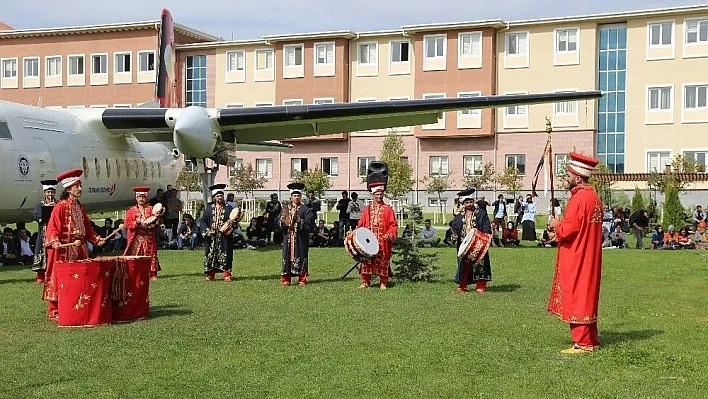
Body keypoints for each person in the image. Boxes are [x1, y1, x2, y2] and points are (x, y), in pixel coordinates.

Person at [547, 152, 603, 354]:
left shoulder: (579, 199)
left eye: (569, 173)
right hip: (589, 255)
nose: (567, 177)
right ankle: (590, 339)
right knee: (586, 294)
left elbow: (568, 229)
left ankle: (583, 343)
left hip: (578, 255)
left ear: (578, 177)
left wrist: (556, 224)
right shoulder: (594, 197)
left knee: (578, 295)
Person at [42, 169, 105, 322]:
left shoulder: (80, 206)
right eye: (77, 186)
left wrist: (96, 239)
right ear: (69, 189)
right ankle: (54, 311)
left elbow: (87, 227)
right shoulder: (60, 207)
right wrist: (55, 241)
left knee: (80, 277)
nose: (80, 189)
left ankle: (76, 304)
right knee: (59, 278)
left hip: (80, 248)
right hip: (64, 249)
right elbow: (52, 227)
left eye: (80, 185)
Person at [355, 162, 398, 290]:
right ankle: (365, 281)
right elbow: (361, 224)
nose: (379, 196)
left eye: (381, 194)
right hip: (369, 240)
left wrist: (389, 234)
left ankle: (383, 282)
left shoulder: (388, 209)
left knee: (382, 260)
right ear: (373, 195)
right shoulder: (367, 209)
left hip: (383, 241)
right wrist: (356, 234)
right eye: (377, 194)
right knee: (367, 260)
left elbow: (393, 225)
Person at [452, 188, 493, 294]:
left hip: (478, 243)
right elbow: (455, 228)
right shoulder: (459, 216)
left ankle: (481, 286)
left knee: (480, 264)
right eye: (467, 202)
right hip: (464, 245)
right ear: (463, 203)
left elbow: (486, 227)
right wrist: (454, 236)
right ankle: (462, 286)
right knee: (464, 266)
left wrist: (486, 235)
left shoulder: (481, 213)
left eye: (471, 202)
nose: (469, 204)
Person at [123, 186, 162, 280]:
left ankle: (152, 274)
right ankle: (135, 272)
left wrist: (157, 218)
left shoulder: (150, 209)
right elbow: (128, 223)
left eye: (143, 197)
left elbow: (156, 221)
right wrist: (136, 222)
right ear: (136, 198)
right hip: (136, 236)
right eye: (139, 197)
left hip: (148, 235)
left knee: (151, 253)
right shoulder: (131, 210)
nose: (141, 199)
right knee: (136, 254)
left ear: (146, 198)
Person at [280, 182, 314, 286]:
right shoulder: (285, 209)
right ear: (291, 197)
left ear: (301, 196)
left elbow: (309, 224)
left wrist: (299, 220)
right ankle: (286, 278)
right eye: (294, 195)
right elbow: (278, 223)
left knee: (302, 255)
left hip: (300, 238)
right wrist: (282, 221)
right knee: (287, 256)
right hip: (288, 237)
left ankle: (302, 278)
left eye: (298, 195)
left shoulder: (305, 209)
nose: (296, 197)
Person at [200, 184, 235, 281]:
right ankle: (210, 274)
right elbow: (203, 220)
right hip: (212, 236)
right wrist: (207, 231)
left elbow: (233, 220)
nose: (220, 197)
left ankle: (226, 274)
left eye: (222, 196)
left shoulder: (228, 207)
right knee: (211, 254)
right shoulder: (209, 207)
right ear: (214, 197)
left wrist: (229, 229)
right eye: (218, 196)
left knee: (226, 254)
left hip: (224, 236)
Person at [32, 179, 58, 284]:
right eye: (48, 192)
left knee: (55, 253)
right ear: (44, 193)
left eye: (52, 192)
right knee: (42, 253)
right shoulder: (40, 205)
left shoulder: (58, 204)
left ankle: (54, 274)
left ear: (54, 193)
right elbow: (37, 216)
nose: (50, 194)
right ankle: (40, 275)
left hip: (56, 232)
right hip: (44, 232)